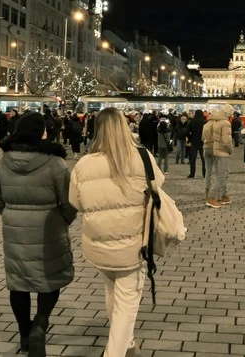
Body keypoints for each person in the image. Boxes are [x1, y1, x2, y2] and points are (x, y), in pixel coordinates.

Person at [69, 107, 164, 357]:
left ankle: (129, 342)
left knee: (113, 292)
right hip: (133, 246)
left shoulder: (84, 163)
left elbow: (75, 201)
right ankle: (117, 352)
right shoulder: (141, 157)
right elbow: (158, 186)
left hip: (99, 245)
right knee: (127, 304)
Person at [0, 112, 76, 355]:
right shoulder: (54, 163)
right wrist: (64, 219)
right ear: (40, 132)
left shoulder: (3, 160)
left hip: (15, 230)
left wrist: (9, 215)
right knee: (49, 281)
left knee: (18, 284)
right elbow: (69, 200)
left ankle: (25, 335)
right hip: (49, 228)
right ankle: (40, 324)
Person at [204, 105, 233, 208]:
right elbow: (226, 141)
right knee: (221, 175)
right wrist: (230, 150)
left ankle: (222, 196)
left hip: (216, 150)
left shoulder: (216, 122)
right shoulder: (225, 123)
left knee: (218, 173)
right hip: (223, 151)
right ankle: (212, 197)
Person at [186, 110, 207, 179]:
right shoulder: (205, 122)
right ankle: (205, 173)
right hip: (203, 142)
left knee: (192, 159)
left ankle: (192, 173)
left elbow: (187, 132)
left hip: (194, 142)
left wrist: (190, 138)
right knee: (204, 159)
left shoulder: (192, 121)